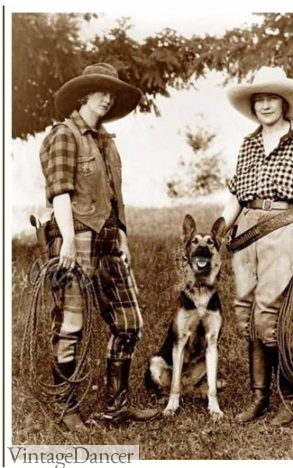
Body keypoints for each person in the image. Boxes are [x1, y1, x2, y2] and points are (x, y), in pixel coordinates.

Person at [39, 63, 159, 431]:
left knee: (129, 323)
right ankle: (66, 407)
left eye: (112, 93)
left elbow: (113, 197)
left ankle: (116, 406)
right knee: (71, 326)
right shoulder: (64, 135)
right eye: (100, 92)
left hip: (108, 242)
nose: (107, 98)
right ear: (83, 95)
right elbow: (60, 191)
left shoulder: (107, 143)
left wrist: (122, 235)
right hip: (76, 239)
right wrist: (69, 241)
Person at [221, 66, 293, 426]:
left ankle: (291, 397)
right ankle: (259, 398)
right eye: (259, 99)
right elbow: (237, 196)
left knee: (269, 313)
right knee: (245, 312)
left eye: (272, 98)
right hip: (247, 231)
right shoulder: (248, 144)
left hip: (287, 228)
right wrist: (218, 230)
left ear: (285, 102)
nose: (265, 105)